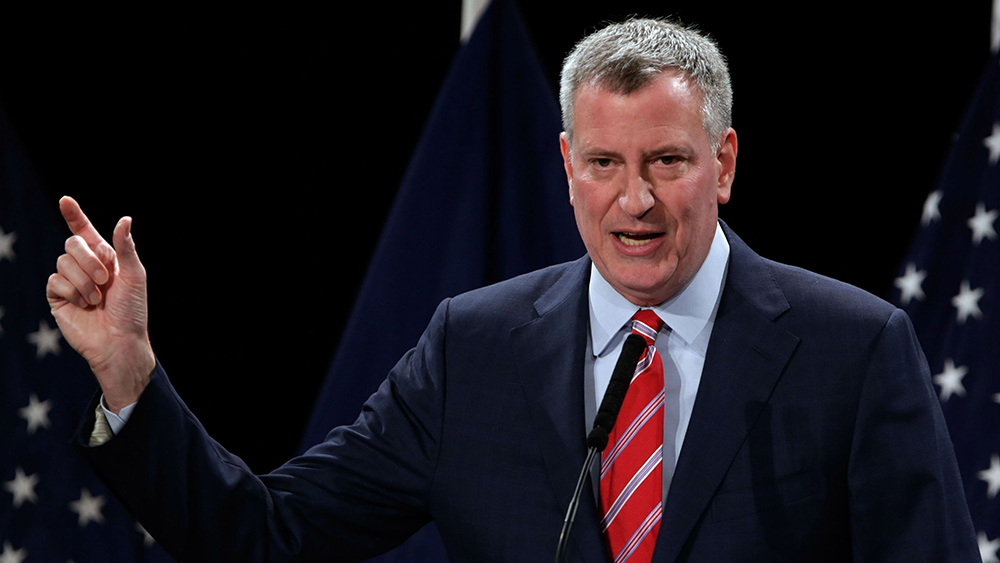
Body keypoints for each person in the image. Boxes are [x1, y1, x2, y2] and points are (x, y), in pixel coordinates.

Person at [47, 18, 978, 562]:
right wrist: (130, 376)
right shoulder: (473, 349)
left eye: (667, 161)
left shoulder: (852, 350)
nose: (635, 200)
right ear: (567, 165)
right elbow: (266, 534)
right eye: (605, 163)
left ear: (724, 163)